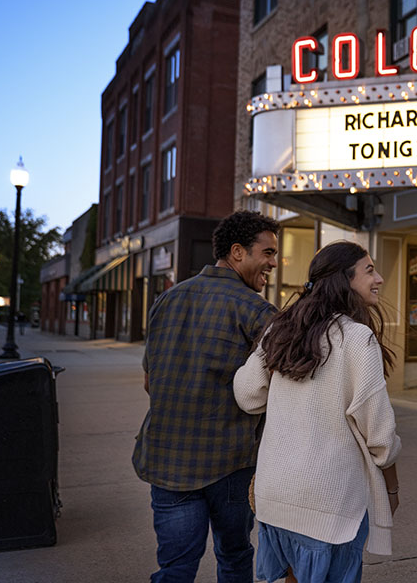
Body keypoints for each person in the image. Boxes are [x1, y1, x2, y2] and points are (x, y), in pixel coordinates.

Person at [233, 241, 401, 583]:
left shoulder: (281, 328)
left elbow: (248, 395)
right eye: (369, 271)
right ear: (344, 279)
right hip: (329, 503)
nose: (379, 279)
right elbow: (380, 437)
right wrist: (392, 489)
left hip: (275, 496)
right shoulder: (357, 338)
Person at [132, 210, 281, 582]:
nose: (274, 263)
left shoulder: (166, 301)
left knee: (175, 568)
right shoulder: (258, 311)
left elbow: (150, 381)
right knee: (233, 557)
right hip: (229, 462)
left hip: (166, 458)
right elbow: (275, 391)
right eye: (267, 253)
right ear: (237, 252)